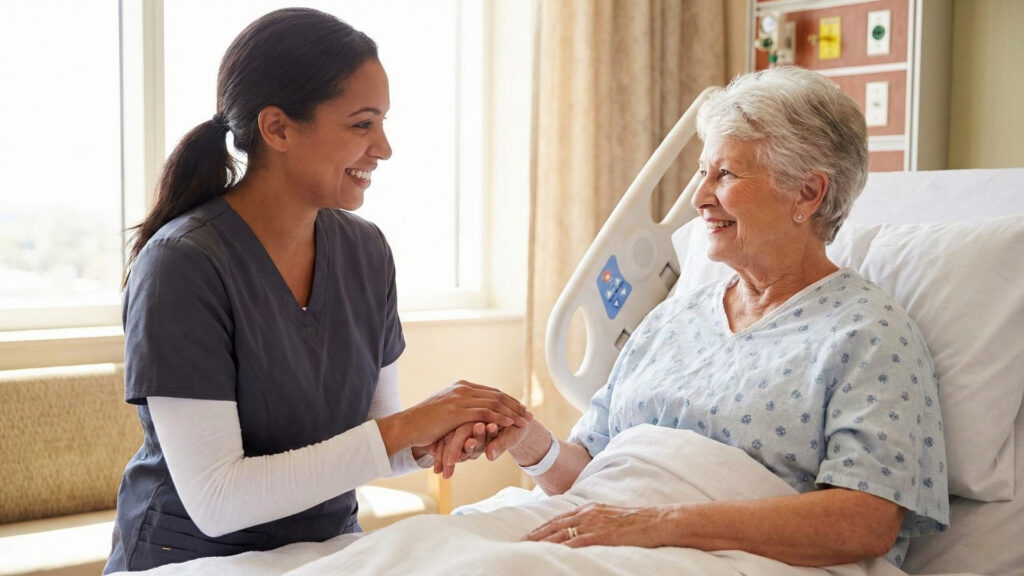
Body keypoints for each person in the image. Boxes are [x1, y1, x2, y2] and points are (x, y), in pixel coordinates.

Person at [439, 66, 949, 569]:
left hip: (719, 557)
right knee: (429, 552)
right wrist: (528, 442)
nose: (701, 197)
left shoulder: (867, 334)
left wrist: (657, 524)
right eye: (702, 173)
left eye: (725, 174)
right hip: (610, 536)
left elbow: (865, 521)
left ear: (807, 194)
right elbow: (594, 480)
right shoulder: (673, 319)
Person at [104, 8, 530, 574]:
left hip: (326, 553)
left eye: (382, 123)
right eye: (362, 124)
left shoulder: (366, 251)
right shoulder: (183, 265)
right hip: (191, 560)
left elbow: (380, 440)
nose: (384, 148)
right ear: (277, 128)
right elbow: (217, 499)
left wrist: (440, 432)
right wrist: (406, 426)